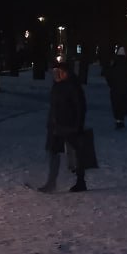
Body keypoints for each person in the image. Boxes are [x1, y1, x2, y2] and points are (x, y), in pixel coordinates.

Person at [38, 57, 88, 192]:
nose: (58, 75)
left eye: (61, 72)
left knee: (75, 154)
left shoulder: (72, 86)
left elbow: (80, 106)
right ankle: (51, 182)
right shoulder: (57, 86)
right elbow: (54, 106)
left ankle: (80, 181)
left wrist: (78, 125)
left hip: (69, 125)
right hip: (56, 125)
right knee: (53, 152)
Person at [103, 45, 127, 129]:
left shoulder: (114, 65)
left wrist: (111, 84)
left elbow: (108, 75)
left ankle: (118, 119)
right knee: (123, 103)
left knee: (116, 104)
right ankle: (121, 118)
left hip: (115, 88)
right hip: (124, 88)